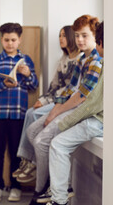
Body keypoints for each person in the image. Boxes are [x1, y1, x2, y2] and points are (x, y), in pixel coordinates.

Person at [26, 15, 102, 205]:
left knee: (44, 140)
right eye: (77, 36)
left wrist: (56, 112)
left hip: (82, 110)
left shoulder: (96, 61)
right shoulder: (81, 59)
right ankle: (53, 182)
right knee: (32, 131)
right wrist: (55, 107)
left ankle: (43, 189)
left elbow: (81, 97)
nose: (80, 40)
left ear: (95, 36)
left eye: (84, 35)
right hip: (70, 106)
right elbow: (69, 90)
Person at [45, 21, 104, 205]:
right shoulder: (85, 60)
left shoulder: (100, 63)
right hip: (96, 117)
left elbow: (89, 104)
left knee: (57, 144)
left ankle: (59, 199)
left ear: (98, 41)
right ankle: (60, 194)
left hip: (98, 121)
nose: (80, 40)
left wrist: (65, 122)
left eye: (85, 35)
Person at [13, 26, 81, 184]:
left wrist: (48, 101)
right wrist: (43, 100)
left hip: (66, 102)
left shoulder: (79, 60)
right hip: (56, 98)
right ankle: (26, 159)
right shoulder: (62, 60)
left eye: (64, 35)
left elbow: (70, 90)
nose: (60, 39)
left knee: (35, 115)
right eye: (59, 35)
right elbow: (54, 86)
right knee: (31, 112)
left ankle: (33, 162)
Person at [0, 23, 39, 203]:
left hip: (18, 114)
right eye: (6, 40)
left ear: (19, 40)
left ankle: (16, 187)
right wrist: (3, 84)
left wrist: (28, 75)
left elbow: (34, 86)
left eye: (13, 40)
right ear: (1, 40)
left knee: (17, 151)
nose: (10, 43)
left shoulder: (26, 61)